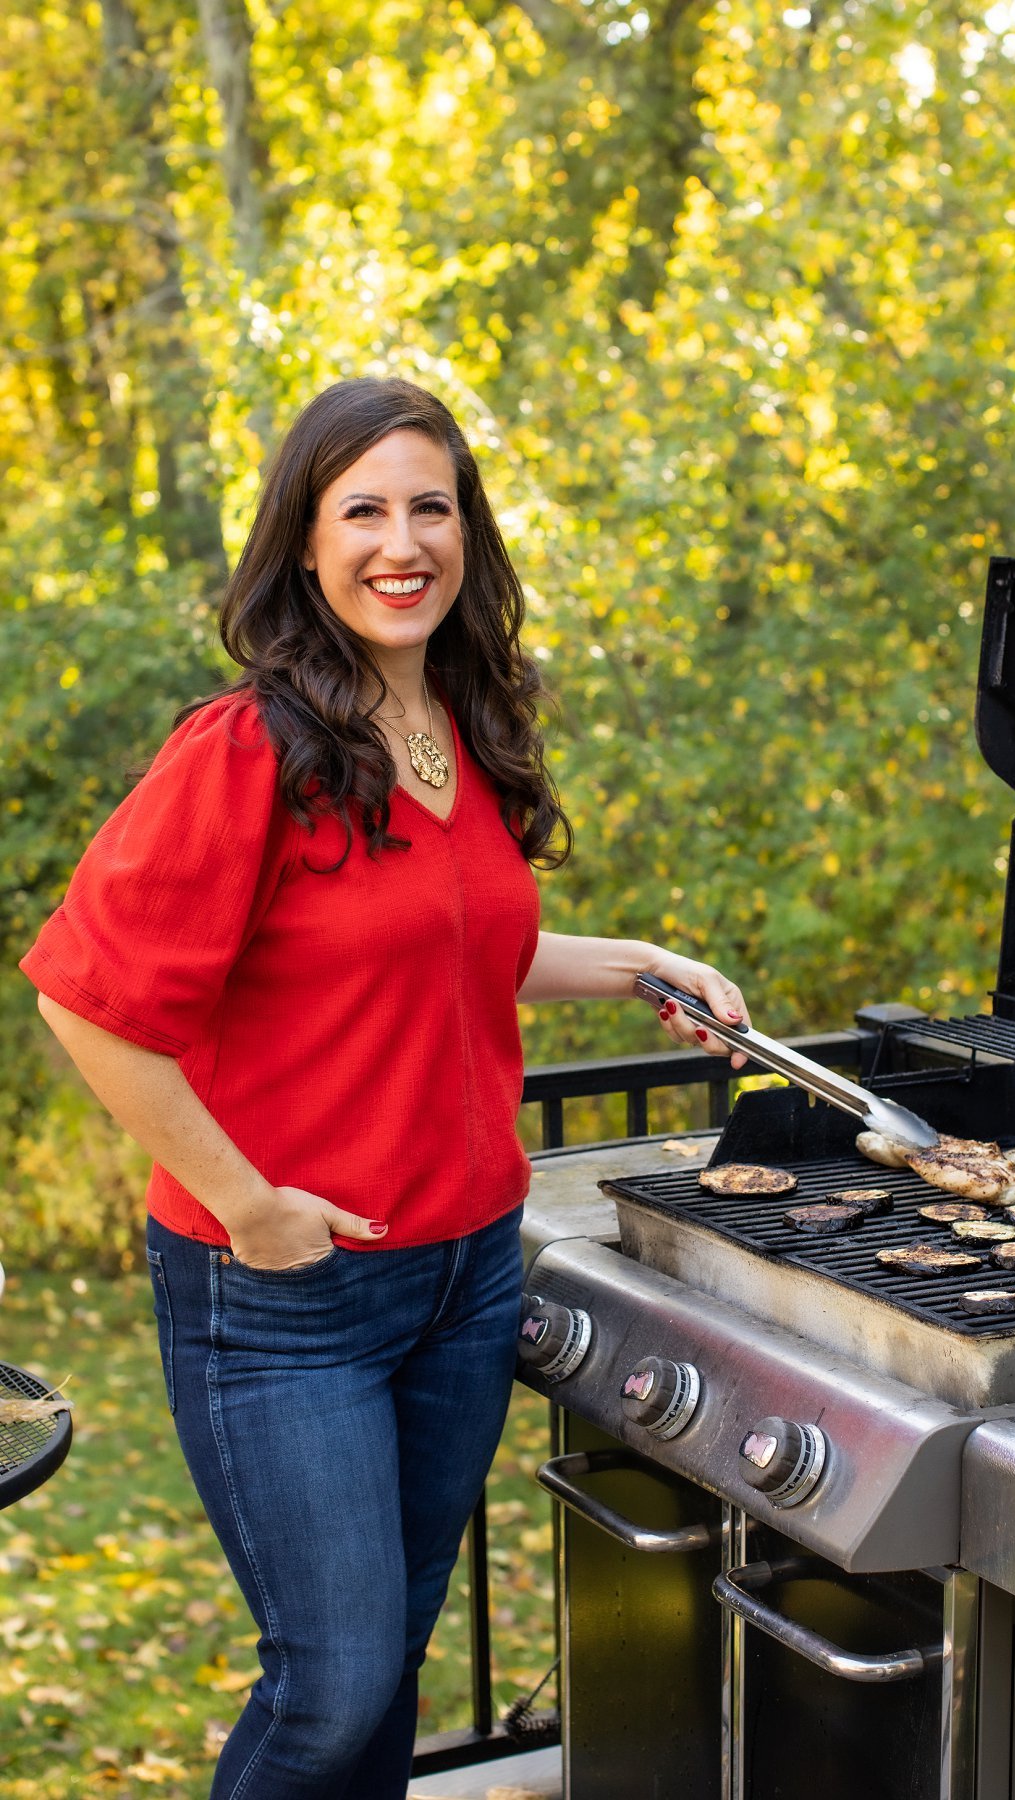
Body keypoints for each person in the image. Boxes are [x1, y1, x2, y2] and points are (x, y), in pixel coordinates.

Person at [19, 377, 750, 1799]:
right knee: (333, 1685)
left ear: (467, 532)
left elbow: (458, 945)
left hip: (464, 1275)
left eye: (432, 506)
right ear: (303, 541)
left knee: (390, 1670)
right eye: (363, 509)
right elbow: (86, 1002)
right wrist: (246, 1203)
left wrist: (638, 963)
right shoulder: (242, 754)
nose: (400, 541)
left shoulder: (452, 730)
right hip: (290, 1293)